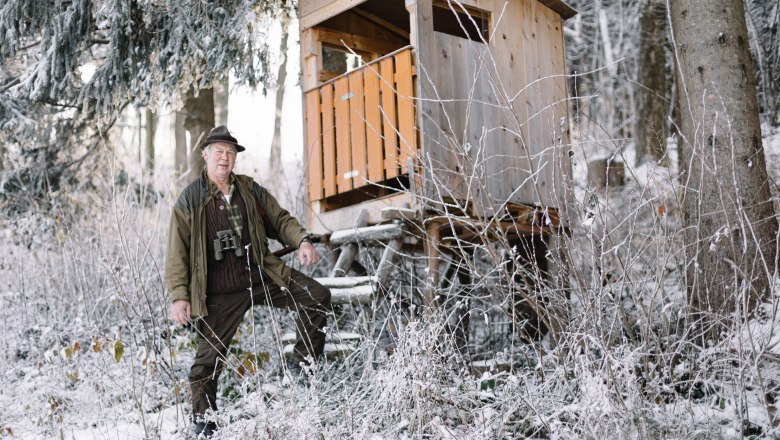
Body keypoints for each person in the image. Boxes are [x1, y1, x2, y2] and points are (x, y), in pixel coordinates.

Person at [164, 125, 331, 437]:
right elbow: (177, 252)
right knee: (206, 363)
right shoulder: (190, 200)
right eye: (218, 152)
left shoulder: (249, 189)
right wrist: (179, 295)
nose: (224, 158)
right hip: (219, 293)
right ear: (205, 156)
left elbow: (280, 220)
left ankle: (301, 366)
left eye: (229, 153)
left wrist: (303, 241)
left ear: (235, 158)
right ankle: (204, 424)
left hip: (261, 275)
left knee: (317, 295)